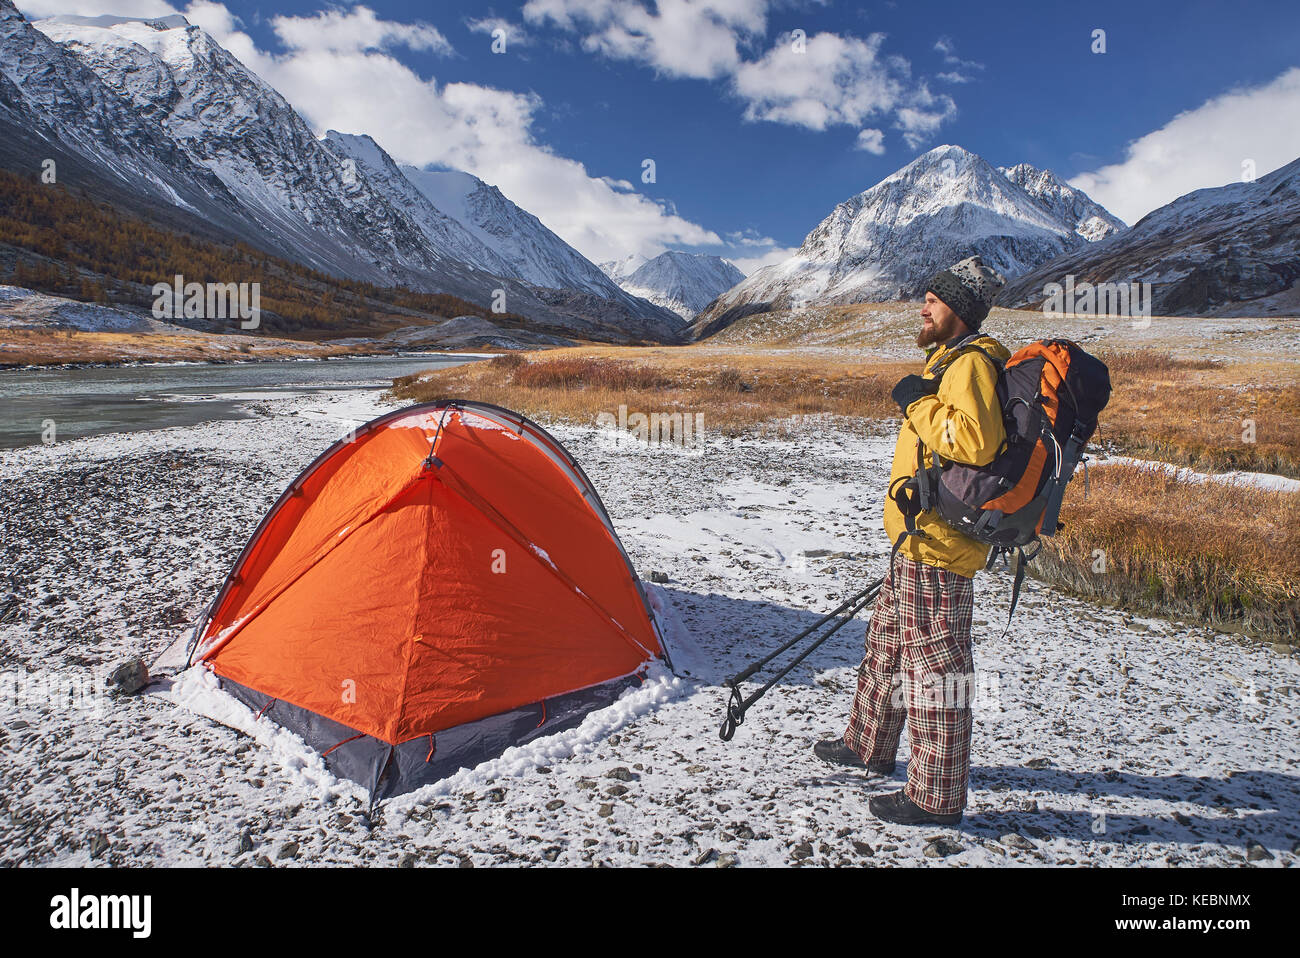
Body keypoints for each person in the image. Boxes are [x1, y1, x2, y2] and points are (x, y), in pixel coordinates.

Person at [815, 255, 1010, 826]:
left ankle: (936, 795)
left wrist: (917, 401)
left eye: (934, 299)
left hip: (943, 544)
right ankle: (867, 745)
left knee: (937, 668)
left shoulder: (969, 365)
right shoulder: (948, 363)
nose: (923, 306)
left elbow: (973, 441)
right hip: (918, 538)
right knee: (888, 647)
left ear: (959, 311)